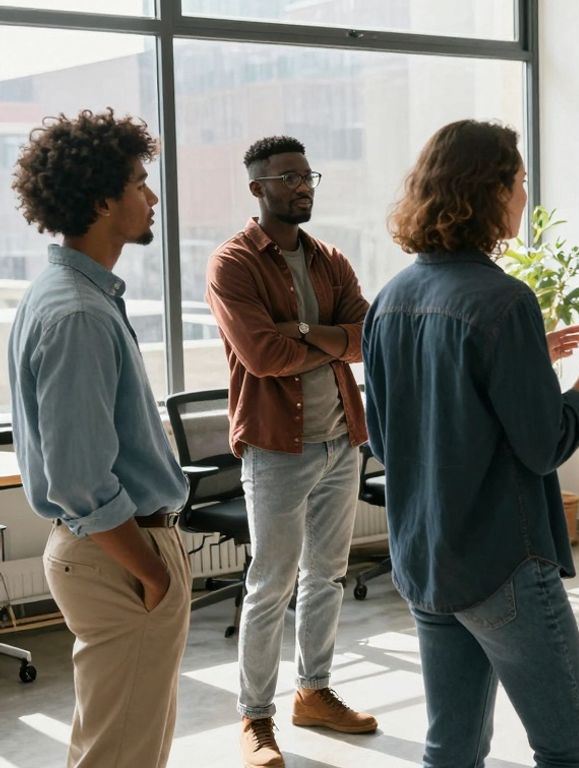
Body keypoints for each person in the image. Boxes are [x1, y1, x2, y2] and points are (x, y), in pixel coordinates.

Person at [364, 119, 579, 767]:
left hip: (425, 562)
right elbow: (544, 444)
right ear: (486, 190)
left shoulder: (390, 299)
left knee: (453, 747)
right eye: (520, 181)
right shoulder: (502, 301)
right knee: (570, 751)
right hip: (502, 569)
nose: (525, 195)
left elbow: (388, 435)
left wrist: (524, 362)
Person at [8, 108, 191, 767]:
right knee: (122, 754)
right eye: (141, 182)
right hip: (119, 552)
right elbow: (80, 477)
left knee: (114, 743)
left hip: (103, 550)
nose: (152, 196)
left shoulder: (64, 293)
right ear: (103, 199)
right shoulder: (79, 312)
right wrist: (152, 570)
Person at [205, 135, 375, 767]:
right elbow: (263, 356)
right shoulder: (233, 264)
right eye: (287, 177)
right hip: (277, 447)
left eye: (308, 175)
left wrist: (304, 330)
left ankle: (314, 690)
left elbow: (367, 339)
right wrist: (328, 339)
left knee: (327, 575)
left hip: (340, 441)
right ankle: (255, 718)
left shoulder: (330, 258)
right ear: (258, 188)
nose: (302, 186)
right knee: (270, 584)